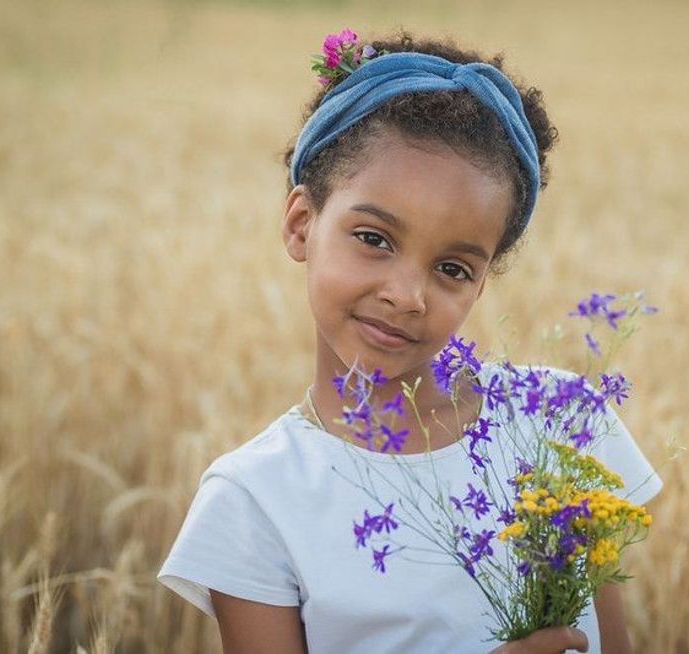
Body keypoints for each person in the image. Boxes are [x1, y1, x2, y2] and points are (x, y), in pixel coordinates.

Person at [158, 29, 662, 654]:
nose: (407, 295)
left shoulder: (562, 424)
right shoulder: (255, 500)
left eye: (453, 268)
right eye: (374, 238)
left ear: (480, 286)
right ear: (300, 224)